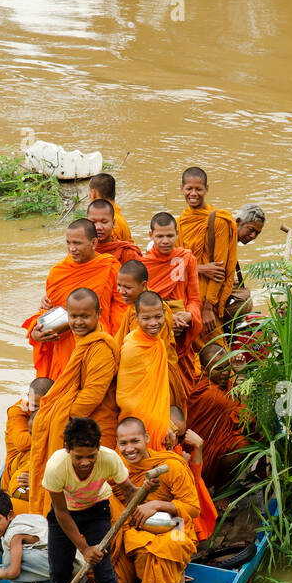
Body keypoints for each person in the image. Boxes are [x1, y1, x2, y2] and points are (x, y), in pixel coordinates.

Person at [40, 416, 141, 583]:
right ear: (67, 449)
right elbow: (61, 513)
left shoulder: (110, 458)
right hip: (64, 513)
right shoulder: (56, 466)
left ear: (99, 449)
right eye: (79, 457)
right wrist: (84, 548)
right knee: (59, 571)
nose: (85, 462)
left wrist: (143, 492)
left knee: (104, 572)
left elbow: (129, 490)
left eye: (91, 456)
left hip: (97, 510)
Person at [27, 288, 119, 516]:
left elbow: (91, 397)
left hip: (94, 425)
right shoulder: (81, 339)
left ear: (98, 313)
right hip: (77, 423)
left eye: (85, 316)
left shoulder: (100, 347)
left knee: (89, 488)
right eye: (73, 316)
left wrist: (60, 416)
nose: (78, 322)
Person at [110, 417, 199, 583]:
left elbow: (192, 508)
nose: (129, 448)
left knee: (174, 543)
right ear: (117, 444)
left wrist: (157, 504)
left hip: (175, 523)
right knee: (142, 550)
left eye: (135, 441)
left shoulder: (170, 465)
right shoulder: (116, 470)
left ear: (147, 438)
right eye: (123, 443)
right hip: (136, 525)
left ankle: (178, 575)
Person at [23, 219, 120, 381]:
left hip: (99, 346)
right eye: (68, 243)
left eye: (77, 243)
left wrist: (116, 347)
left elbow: (121, 311)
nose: (72, 249)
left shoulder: (109, 267)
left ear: (94, 242)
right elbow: (49, 312)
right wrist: (36, 333)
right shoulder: (58, 273)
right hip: (65, 351)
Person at [115, 290, 188, 450]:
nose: (153, 323)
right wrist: (159, 425)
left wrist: (163, 422)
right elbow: (126, 398)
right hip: (139, 424)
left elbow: (158, 391)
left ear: (165, 314)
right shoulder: (132, 348)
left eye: (158, 317)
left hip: (158, 419)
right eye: (146, 318)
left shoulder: (157, 342)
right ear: (136, 318)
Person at [176, 167, 238, 347]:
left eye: (198, 189)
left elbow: (220, 269)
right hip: (185, 300)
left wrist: (208, 307)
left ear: (207, 189)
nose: (193, 193)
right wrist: (200, 268)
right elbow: (175, 267)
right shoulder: (179, 222)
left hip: (206, 302)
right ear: (182, 189)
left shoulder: (218, 221)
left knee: (218, 354)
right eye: (189, 189)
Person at [141, 211, 202, 376]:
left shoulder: (187, 258)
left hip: (182, 327)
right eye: (160, 236)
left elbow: (195, 299)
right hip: (155, 329)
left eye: (169, 235)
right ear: (151, 235)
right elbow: (139, 304)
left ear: (177, 234)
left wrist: (189, 315)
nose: (165, 241)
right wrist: (167, 319)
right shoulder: (143, 265)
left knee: (183, 382)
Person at [187, 342, 251, 487]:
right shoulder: (211, 395)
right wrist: (240, 375)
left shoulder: (216, 383)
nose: (225, 373)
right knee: (241, 444)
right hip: (202, 460)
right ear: (205, 369)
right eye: (219, 369)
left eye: (227, 367)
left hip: (212, 447)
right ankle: (222, 488)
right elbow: (244, 419)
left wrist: (239, 373)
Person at [3, 377, 52, 513]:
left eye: (42, 407)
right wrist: (49, 431)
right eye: (34, 406)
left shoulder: (53, 412)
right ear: (28, 397)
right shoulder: (18, 411)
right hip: (17, 467)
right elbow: (22, 443)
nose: (38, 412)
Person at [169, 405, 216, 543]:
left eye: (180, 437)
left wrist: (199, 446)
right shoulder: (154, 444)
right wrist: (181, 465)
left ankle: (189, 536)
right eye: (174, 434)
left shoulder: (176, 448)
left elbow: (194, 479)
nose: (175, 441)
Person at [227, 203, 266, 334]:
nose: (253, 236)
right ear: (238, 222)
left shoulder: (231, 240)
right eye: (251, 230)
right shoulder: (223, 237)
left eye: (257, 233)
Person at [89, 198, 142, 268]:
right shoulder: (82, 251)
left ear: (113, 223)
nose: (98, 227)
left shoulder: (127, 254)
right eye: (93, 222)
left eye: (104, 222)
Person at [87, 173, 132, 242]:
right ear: (115, 193)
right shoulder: (116, 214)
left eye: (104, 222)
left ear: (93, 194)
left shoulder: (112, 225)